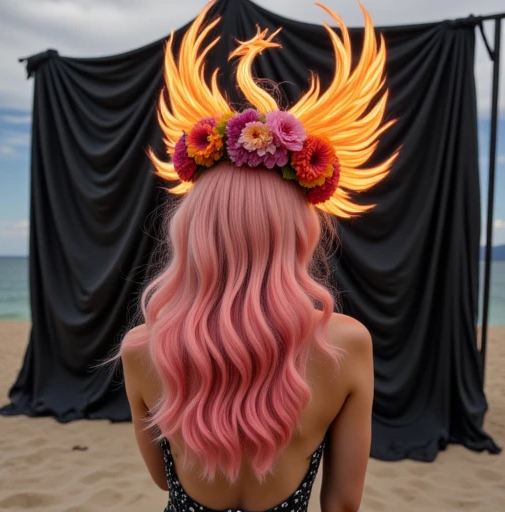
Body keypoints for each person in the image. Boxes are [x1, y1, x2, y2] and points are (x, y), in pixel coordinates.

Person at [119, 2, 398, 511]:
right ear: (297, 232)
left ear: (193, 232)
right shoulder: (347, 344)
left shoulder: (142, 348)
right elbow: (342, 504)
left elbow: (165, 481)